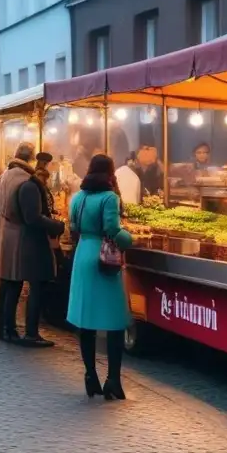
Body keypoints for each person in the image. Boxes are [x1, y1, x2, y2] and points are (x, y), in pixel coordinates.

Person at [67, 154, 134, 400]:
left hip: (83, 253)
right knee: (115, 321)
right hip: (103, 259)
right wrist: (130, 239)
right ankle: (113, 380)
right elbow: (113, 230)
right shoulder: (109, 198)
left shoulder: (78, 197)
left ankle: (90, 376)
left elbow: (72, 227)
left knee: (86, 322)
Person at [0, 144, 65, 347]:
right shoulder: (27, 181)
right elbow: (32, 217)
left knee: (9, 283)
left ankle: (6, 330)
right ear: (32, 160)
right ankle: (28, 333)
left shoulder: (5, 175)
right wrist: (57, 226)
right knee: (34, 283)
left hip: (6, 234)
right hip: (24, 239)